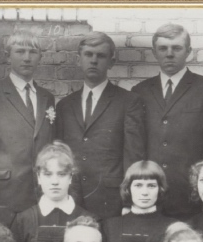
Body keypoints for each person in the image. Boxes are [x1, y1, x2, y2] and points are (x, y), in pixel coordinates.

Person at [131, 24, 203, 216]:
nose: (169, 54)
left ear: (188, 52)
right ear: (154, 52)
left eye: (176, 48)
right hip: (151, 193)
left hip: (191, 194)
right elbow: (135, 146)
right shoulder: (140, 91)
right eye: (163, 48)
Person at [53, 32, 146, 221]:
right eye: (88, 54)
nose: (94, 61)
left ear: (111, 62)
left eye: (101, 56)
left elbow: (133, 156)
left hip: (111, 200)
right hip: (71, 198)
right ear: (79, 60)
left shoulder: (128, 102)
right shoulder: (65, 105)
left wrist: (129, 202)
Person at [0, 31, 56, 213]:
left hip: (42, 192)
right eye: (20, 51)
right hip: (3, 192)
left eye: (33, 52)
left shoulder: (46, 97)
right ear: (8, 56)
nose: (27, 58)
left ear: (40, 57)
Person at [9, 142, 92, 242]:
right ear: (39, 178)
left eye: (61, 174)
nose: (55, 181)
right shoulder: (23, 220)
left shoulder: (88, 219)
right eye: (48, 175)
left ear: (70, 177)